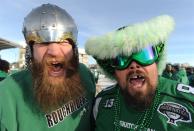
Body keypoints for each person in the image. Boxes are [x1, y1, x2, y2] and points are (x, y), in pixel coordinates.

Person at [85, 15, 194, 130]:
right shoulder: (101, 101)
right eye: (121, 60)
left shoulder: (189, 103)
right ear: (114, 71)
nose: (134, 65)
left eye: (144, 55)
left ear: (156, 63)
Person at [0, 3, 95, 131]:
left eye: (64, 41)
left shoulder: (84, 74)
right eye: (43, 42)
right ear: (31, 50)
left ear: (73, 48)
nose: (54, 52)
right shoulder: (6, 94)